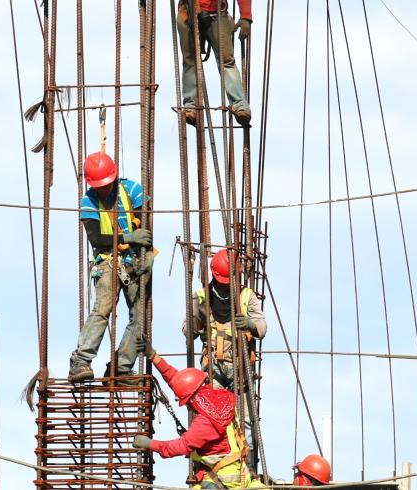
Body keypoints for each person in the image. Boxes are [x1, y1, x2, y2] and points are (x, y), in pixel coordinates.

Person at [68, 151, 153, 382]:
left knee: (141, 316)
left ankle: (121, 367)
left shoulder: (132, 190)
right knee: (102, 310)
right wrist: (128, 238)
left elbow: (145, 224)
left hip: (133, 262)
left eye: (106, 185)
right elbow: (96, 239)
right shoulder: (88, 201)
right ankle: (80, 361)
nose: (104, 190)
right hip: (108, 262)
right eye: (100, 186)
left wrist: (147, 251)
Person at [131, 348, 258, 488]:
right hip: (238, 472)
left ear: (191, 400)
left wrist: (149, 443)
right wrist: (154, 357)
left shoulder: (204, 423)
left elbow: (178, 447)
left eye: (186, 403)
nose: (188, 407)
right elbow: (181, 382)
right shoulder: (222, 397)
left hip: (225, 481)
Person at [185, 248, 267, 389]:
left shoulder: (247, 295)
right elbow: (188, 333)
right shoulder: (200, 297)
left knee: (244, 411)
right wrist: (198, 319)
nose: (226, 284)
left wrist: (250, 325)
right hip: (213, 365)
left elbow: (262, 328)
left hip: (240, 365)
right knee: (215, 409)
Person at [176, 0, 253, 126]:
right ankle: (191, 105)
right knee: (190, 61)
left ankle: (239, 104)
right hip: (188, 13)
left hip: (216, 14)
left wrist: (246, 16)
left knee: (226, 61)